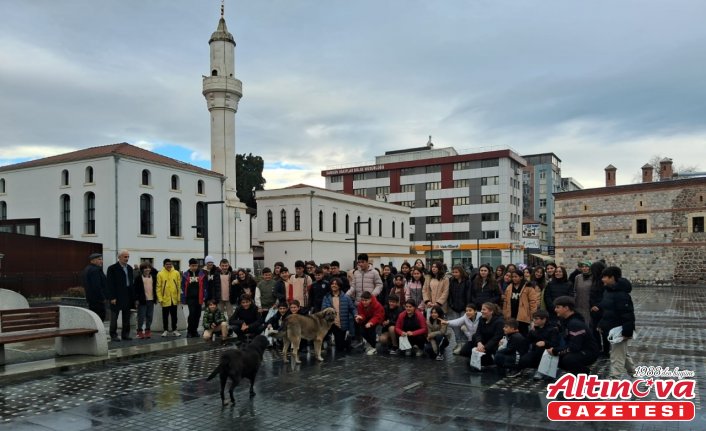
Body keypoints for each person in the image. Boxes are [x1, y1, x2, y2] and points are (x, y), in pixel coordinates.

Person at [596, 266, 636, 378]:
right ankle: (634, 374)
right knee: (622, 353)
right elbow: (607, 312)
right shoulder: (608, 291)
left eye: (604, 277)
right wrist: (601, 324)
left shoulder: (621, 295)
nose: (602, 279)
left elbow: (627, 314)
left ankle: (615, 379)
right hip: (611, 329)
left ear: (612, 278)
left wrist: (627, 332)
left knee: (616, 357)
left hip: (619, 330)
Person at [548, 296, 599, 374]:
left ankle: (584, 374)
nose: (555, 310)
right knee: (560, 359)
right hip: (579, 349)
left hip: (589, 352)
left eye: (558, 307)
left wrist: (555, 351)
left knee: (568, 359)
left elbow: (574, 347)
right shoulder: (566, 321)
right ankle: (578, 372)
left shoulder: (575, 324)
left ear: (566, 308)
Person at [517, 309, 559, 379]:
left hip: (547, 352)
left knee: (540, 348)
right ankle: (519, 368)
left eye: (536, 319)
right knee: (524, 359)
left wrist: (545, 343)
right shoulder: (534, 330)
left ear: (544, 319)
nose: (534, 321)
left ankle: (541, 370)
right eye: (533, 319)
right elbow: (527, 341)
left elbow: (555, 343)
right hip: (535, 351)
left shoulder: (552, 329)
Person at [106, 250, 135, 341]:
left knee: (126, 316)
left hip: (127, 295)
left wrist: (133, 297)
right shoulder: (112, 268)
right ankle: (113, 335)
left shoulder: (130, 268)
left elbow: (131, 283)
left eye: (128, 257)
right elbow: (110, 284)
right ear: (119, 257)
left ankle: (125, 334)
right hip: (117, 295)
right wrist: (112, 297)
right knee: (114, 317)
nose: (127, 259)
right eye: (125, 257)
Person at [322, 277, 357, 352]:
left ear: (339, 286)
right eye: (332, 284)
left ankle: (347, 343)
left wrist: (356, 315)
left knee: (340, 348)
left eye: (336, 284)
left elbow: (353, 308)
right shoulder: (326, 297)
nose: (334, 285)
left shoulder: (346, 297)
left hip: (341, 325)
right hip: (329, 324)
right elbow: (323, 310)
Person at [502, 269, 539, 336]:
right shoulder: (509, 287)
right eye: (512, 277)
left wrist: (532, 315)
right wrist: (505, 314)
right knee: (511, 334)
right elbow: (505, 302)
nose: (514, 278)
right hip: (511, 315)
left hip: (523, 316)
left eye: (516, 277)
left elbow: (533, 302)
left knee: (523, 334)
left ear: (521, 277)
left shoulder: (528, 287)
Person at [471, 302, 505, 368]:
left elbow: (496, 338)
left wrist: (485, 347)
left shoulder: (499, 322)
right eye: (481, 309)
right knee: (466, 349)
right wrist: (479, 343)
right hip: (485, 341)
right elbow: (478, 332)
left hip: (495, 343)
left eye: (484, 310)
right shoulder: (481, 319)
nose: (481, 311)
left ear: (491, 311)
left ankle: (491, 359)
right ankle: (485, 359)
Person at [447, 265, 471, 351]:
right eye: (453, 272)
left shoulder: (467, 281)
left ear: (461, 272)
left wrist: (467, 307)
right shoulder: (451, 281)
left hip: (464, 308)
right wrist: (451, 304)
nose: (454, 274)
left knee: (464, 326)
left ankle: (463, 344)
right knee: (455, 327)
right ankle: (458, 343)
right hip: (454, 308)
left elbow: (468, 295)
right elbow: (449, 294)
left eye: (456, 272)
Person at [156, 258, 182, 337]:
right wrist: (160, 298)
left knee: (174, 316)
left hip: (174, 299)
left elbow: (178, 286)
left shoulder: (176, 273)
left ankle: (175, 330)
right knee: (165, 316)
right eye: (167, 264)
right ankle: (165, 330)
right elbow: (158, 287)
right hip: (165, 299)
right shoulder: (160, 274)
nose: (169, 265)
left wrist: (178, 298)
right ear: (164, 265)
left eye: (170, 264)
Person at [182, 258, 206, 338]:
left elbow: (204, 286)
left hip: (199, 298)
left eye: (196, 265)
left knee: (198, 315)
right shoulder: (186, 274)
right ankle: (189, 331)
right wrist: (183, 297)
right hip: (190, 298)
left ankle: (195, 330)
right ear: (189, 266)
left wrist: (204, 296)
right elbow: (182, 286)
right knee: (191, 314)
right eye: (192, 266)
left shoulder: (201, 274)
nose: (194, 267)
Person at [355, 291, 385, 355]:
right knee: (362, 330)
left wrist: (371, 322)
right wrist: (360, 317)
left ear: (370, 299)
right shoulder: (360, 305)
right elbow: (362, 314)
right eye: (362, 300)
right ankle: (368, 344)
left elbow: (378, 316)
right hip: (366, 318)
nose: (364, 302)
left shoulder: (377, 305)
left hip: (377, 319)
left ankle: (373, 347)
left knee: (371, 330)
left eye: (366, 300)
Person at [134, 262, 157, 339]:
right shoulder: (138, 278)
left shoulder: (153, 277)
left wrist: (156, 298)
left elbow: (155, 289)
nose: (147, 269)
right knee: (141, 316)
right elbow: (136, 290)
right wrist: (136, 299)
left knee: (149, 316)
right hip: (142, 300)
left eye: (149, 268)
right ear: (142, 269)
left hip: (151, 300)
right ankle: (139, 331)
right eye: (145, 268)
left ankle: (147, 331)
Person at [83, 252, 107, 321]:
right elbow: (97, 286)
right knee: (100, 318)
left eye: (101, 259)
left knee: (94, 318)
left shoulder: (87, 269)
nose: (101, 261)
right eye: (99, 259)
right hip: (97, 300)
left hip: (91, 299)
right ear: (93, 260)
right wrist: (103, 298)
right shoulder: (95, 270)